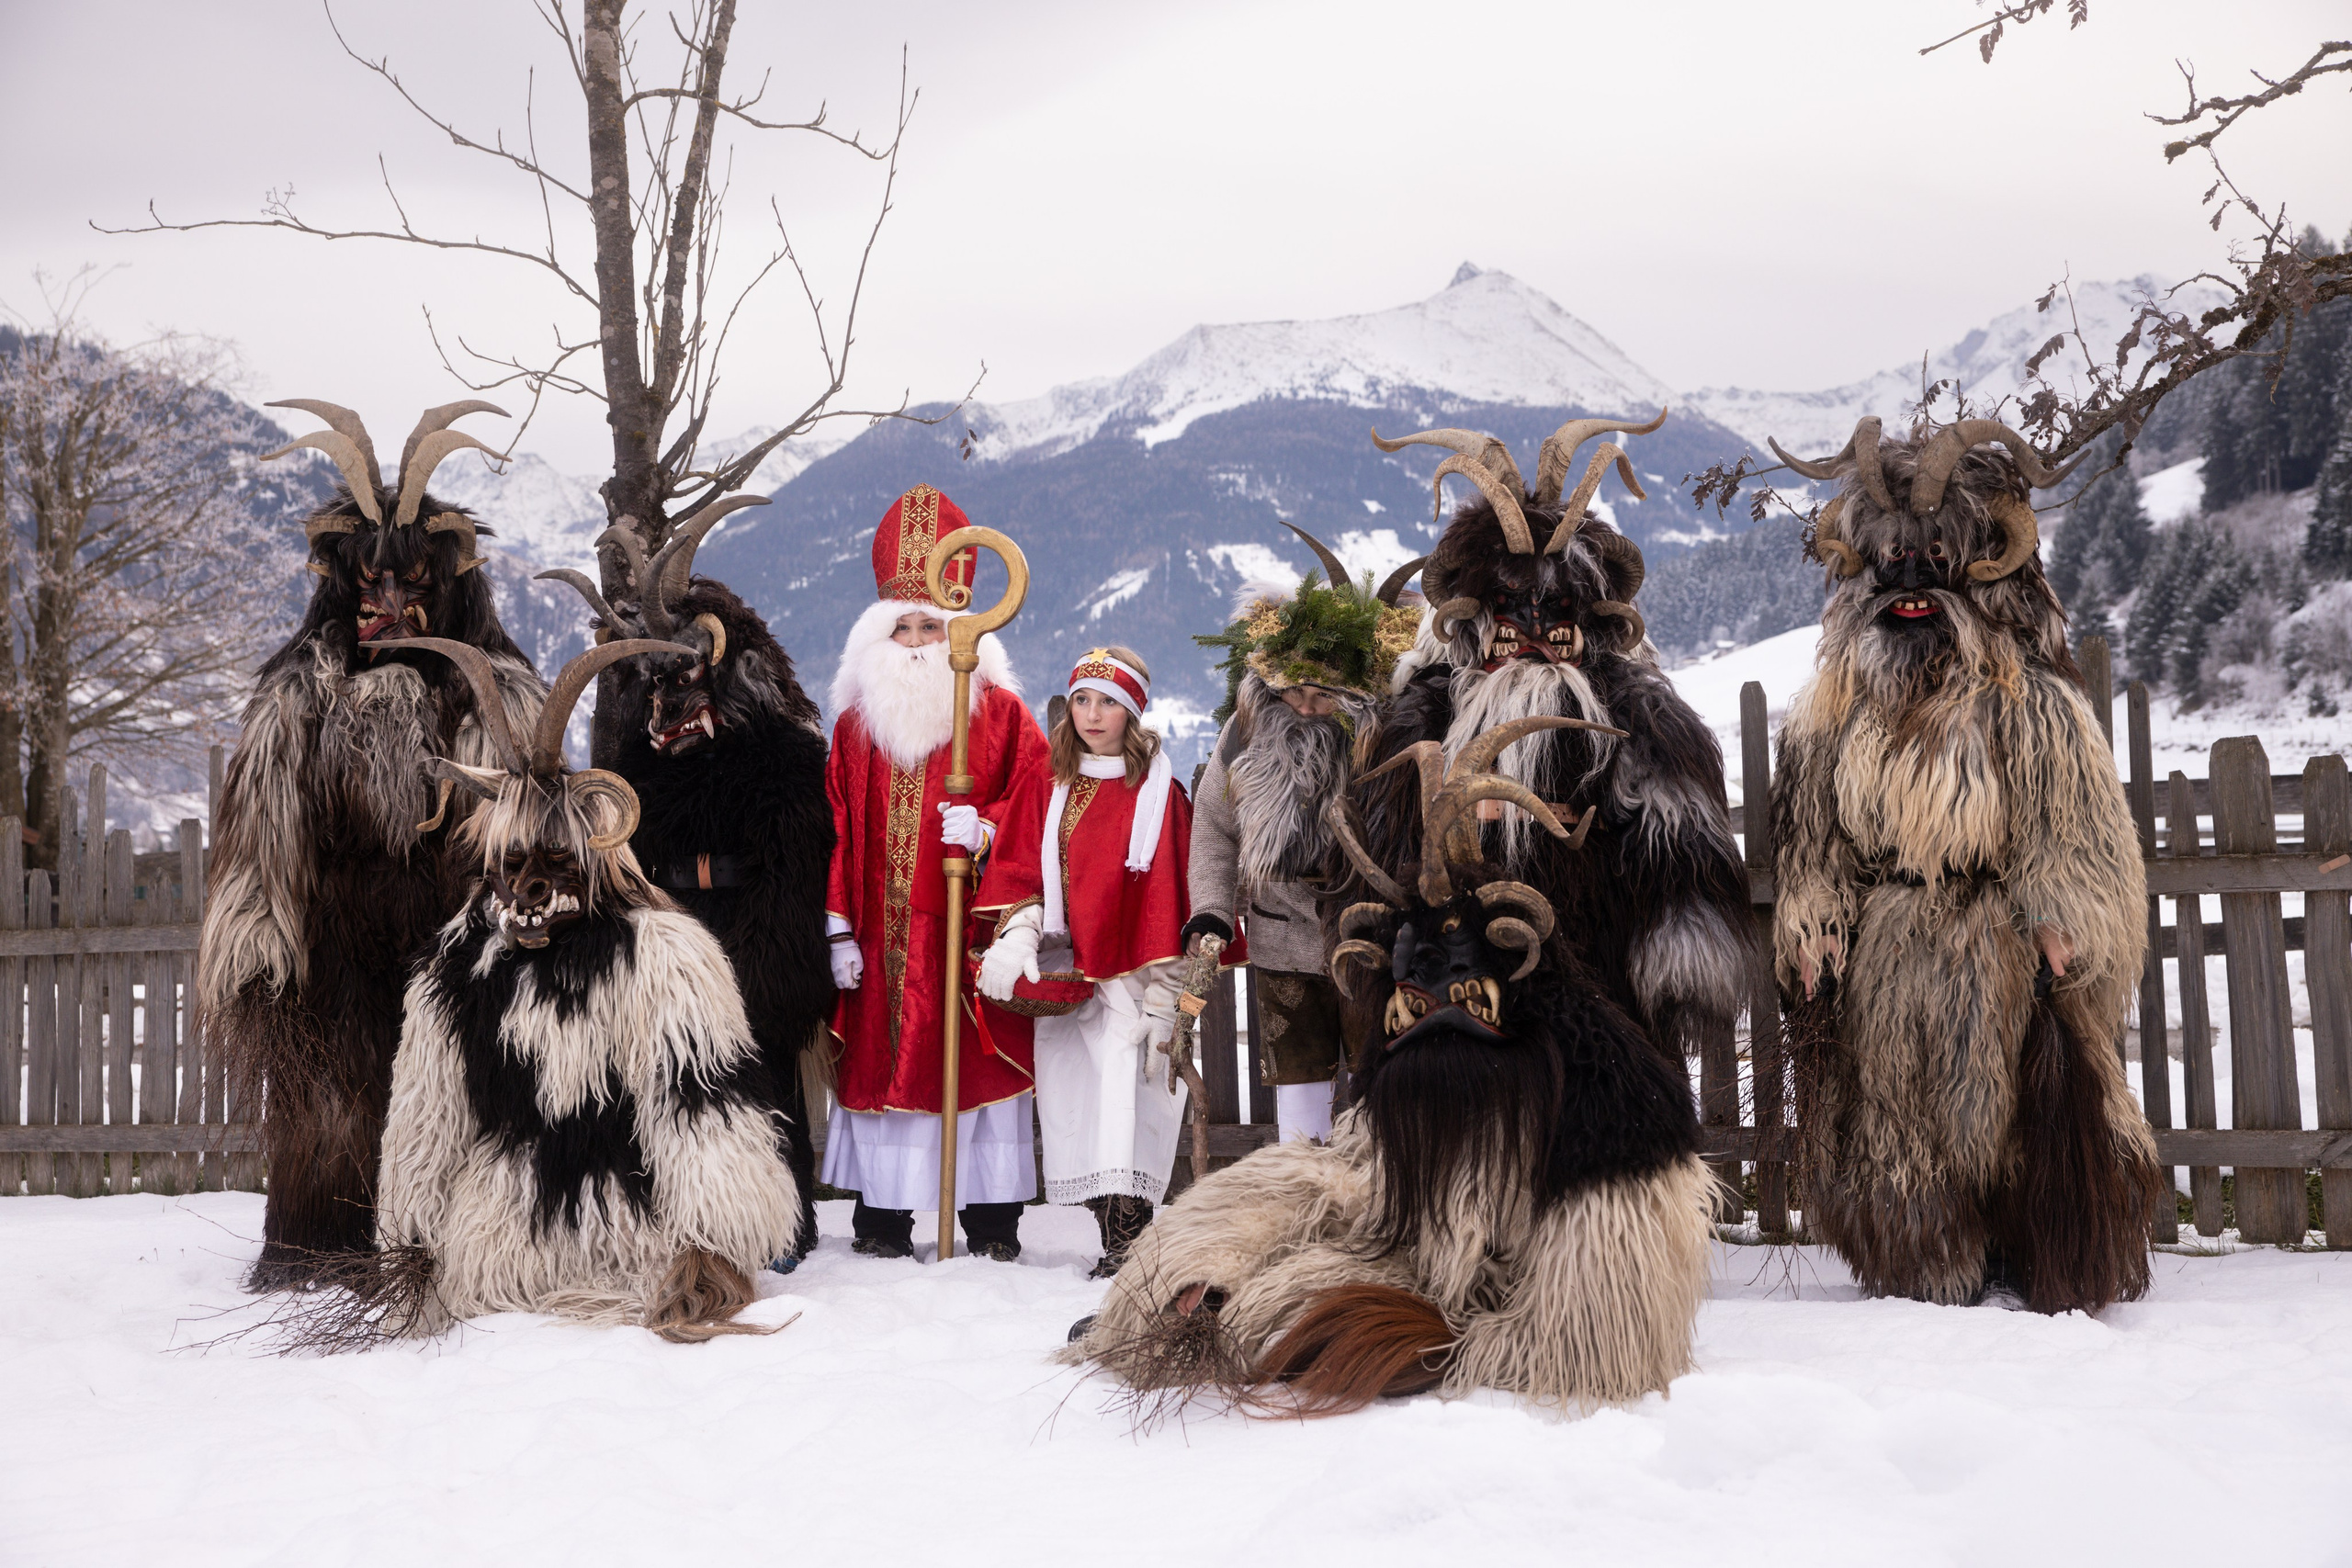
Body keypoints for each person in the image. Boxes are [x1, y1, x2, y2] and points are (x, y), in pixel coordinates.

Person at [822, 484, 1049, 1261]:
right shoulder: (855, 729)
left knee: (974, 1069)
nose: (919, 640)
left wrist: (984, 830)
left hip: (966, 928)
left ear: (964, 632)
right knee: (888, 1064)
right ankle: (885, 1218)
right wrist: (838, 925)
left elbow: (1036, 808)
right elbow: (838, 825)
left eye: (932, 625)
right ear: (878, 635)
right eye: (905, 625)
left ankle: (990, 1222)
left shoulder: (1004, 717)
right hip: (882, 941)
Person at [1186, 525, 1424, 1142]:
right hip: (1280, 943)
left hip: (1370, 945)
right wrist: (1213, 912)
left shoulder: (1384, 743)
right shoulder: (1243, 737)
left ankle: (1378, 1201)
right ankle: (1298, 1202)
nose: (1308, 706)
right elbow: (1214, 826)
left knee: (1384, 1079)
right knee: (1297, 1090)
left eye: (1325, 695)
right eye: (1294, 691)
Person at [978, 647, 1193, 1278]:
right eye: (1081, 700)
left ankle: (1129, 1244)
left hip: (1137, 984)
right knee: (1078, 1107)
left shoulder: (1159, 795)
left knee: (1130, 1110)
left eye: (1107, 702)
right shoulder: (1048, 787)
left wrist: (1170, 999)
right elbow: (1022, 872)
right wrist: (1017, 937)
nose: (1093, 714)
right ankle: (1109, 1236)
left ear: (1131, 712)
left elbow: (1176, 898)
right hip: (1068, 980)